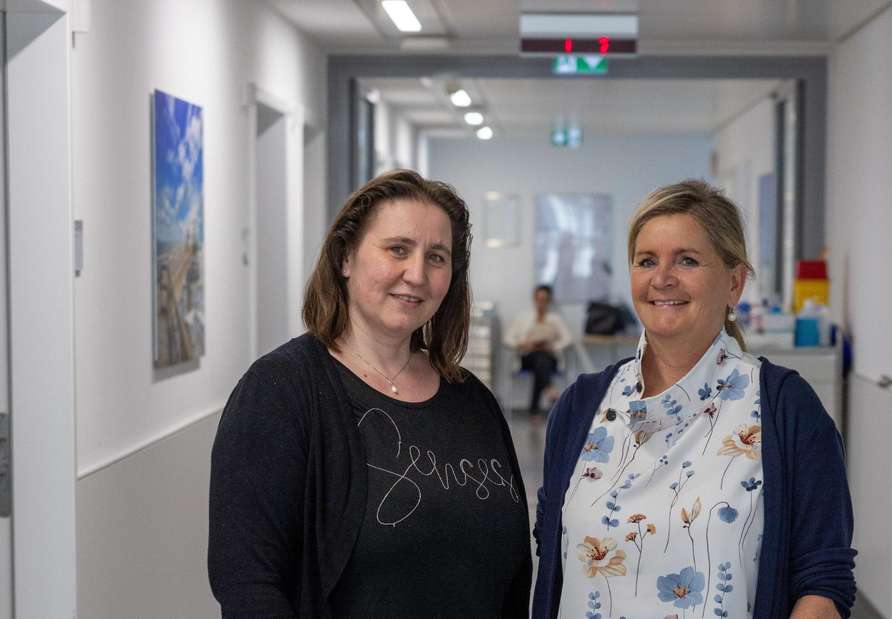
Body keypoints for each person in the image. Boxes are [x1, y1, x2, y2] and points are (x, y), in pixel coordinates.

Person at [208, 170, 531, 617]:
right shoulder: (279, 392)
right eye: (398, 249)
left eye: (437, 257)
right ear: (345, 257)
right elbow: (248, 582)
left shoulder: (471, 399)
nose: (416, 274)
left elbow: (511, 574)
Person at [532, 180, 856, 619]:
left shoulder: (784, 409)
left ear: (734, 283)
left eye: (686, 260)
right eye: (647, 261)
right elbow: (554, 551)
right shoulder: (580, 407)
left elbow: (823, 579)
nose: (662, 278)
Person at [504, 284, 573, 421]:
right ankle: (549, 389)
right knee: (539, 359)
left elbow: (568, 339)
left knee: (541, 360)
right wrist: (523, 344)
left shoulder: (555, 319)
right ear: (534, 299)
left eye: (545, 300)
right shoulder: (523, 318)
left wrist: (553, 346)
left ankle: (535, 409)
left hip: (548, 357)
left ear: (549, 301)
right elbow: (507, 339)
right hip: (527, 358)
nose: (541, 303)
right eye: (539, 299)